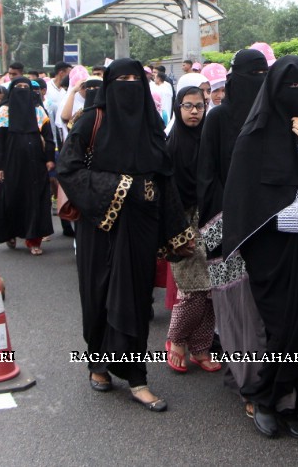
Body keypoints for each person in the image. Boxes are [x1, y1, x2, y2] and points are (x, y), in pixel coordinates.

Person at [58, 58, 194, 412]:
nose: (129, 85)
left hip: (140, 227)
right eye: (122, 79)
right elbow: (67, 169)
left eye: (136, 79)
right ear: (108, 85)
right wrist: (122, 186)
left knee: (134, 301)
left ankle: (137, 378)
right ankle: (98, 365)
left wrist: (177, 230)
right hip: (98, 226)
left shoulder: (151, 125)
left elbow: (165, 179)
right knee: (97, 295)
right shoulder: (91, 120)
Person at [222, 55, 298, 440]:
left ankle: (293, 405)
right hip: (269, 249)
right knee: (281, 328)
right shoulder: (253, 137)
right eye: (292, 88)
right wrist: (289, 218)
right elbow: (242, 205)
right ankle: (266, 399)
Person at [196, 49, 269, 420]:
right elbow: (205, 178)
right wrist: (228, 220)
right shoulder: (217, 118)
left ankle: (249, 375)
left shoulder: (270, 116)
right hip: (222, 230)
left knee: (255, 310)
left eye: (263, 73)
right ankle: (247, 381)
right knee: (232, 309)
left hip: (264, 228)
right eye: (250, 74)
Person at [165, 84, 220, 374]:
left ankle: (201, 348)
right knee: (193, 289)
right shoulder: (170, 145)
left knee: (214, 288)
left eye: (199, 106)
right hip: (182, 221)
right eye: (187, 106)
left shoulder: (211, 139)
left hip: (212, 216)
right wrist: (174, 229)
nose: (194, 112)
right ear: (178, 108)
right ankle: (176, 341)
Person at [0, 77, 55, 256]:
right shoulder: (4, 111)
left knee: (36, 199)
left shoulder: (38, 111)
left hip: (36, 163)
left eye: (25, 87)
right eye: (18, 87)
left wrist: (50, 158)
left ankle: (33, 240)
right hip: (12, 163)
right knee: (12, 197)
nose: (21, 90)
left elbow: (48, 137)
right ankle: (10, 233)